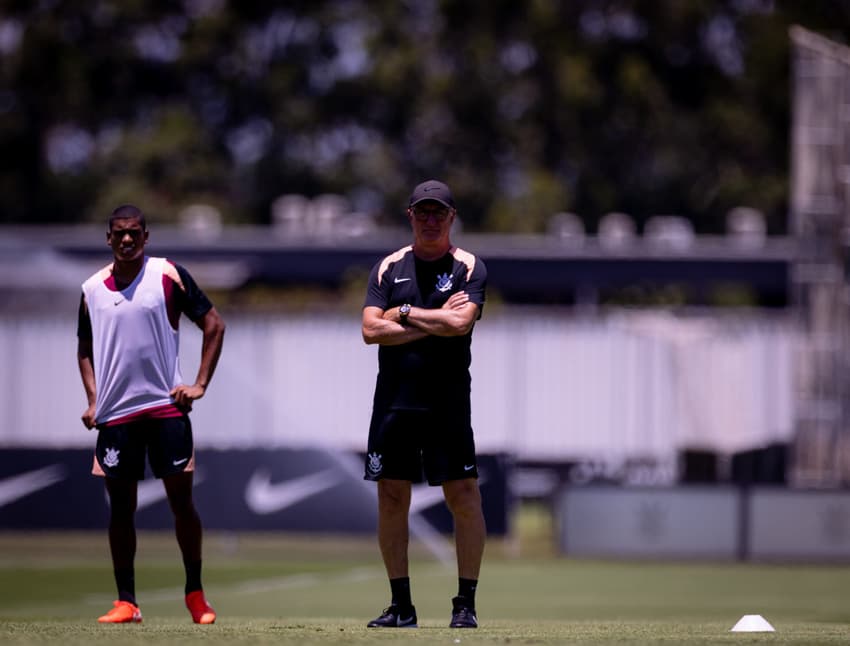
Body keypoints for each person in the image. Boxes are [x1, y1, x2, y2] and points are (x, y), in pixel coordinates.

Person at [76, 204, 225, 625]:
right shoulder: (91, 289)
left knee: (182, 504)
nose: (127, 239)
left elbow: (214, 324)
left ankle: (195, 594)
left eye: (135, 233)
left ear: (146, 236)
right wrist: (93, 399)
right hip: (116, 417)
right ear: (108, 238)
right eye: (119, 233)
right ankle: (127, 601)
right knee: (120, 510)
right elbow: (85, 349)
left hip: (166, 410)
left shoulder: (168, 274)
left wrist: (198, 384)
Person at [361, 179, 487, 629]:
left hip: (448, 403)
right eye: (422, 212)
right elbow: (370, 330)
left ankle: (465, 604)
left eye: (439, 212)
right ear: (410, 215)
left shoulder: (469, 267)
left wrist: (407, 313)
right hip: (395, 402)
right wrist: (438, 320)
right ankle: (401, 606)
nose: (430, 219)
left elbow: (461, 324)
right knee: (391, 497)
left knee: (463, 495)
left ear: (452, 217)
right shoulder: (388, 267)